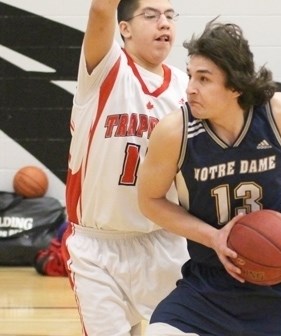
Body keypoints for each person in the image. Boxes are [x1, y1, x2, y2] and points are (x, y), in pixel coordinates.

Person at [137, 19, 281, 336]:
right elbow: (150, 201)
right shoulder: (175, 132)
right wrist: (214, 237)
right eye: (191, 75)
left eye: (204, 78)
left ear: (235, 85)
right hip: (210, 282)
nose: (190, 88)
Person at [63, 0, 189, 334]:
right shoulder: (105, 71)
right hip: (98, 248)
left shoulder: (186, 88)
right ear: (125, 29)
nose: (163, 23)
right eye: (150, 15)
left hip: (166, 243)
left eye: (169, 16)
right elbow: (101, 9)